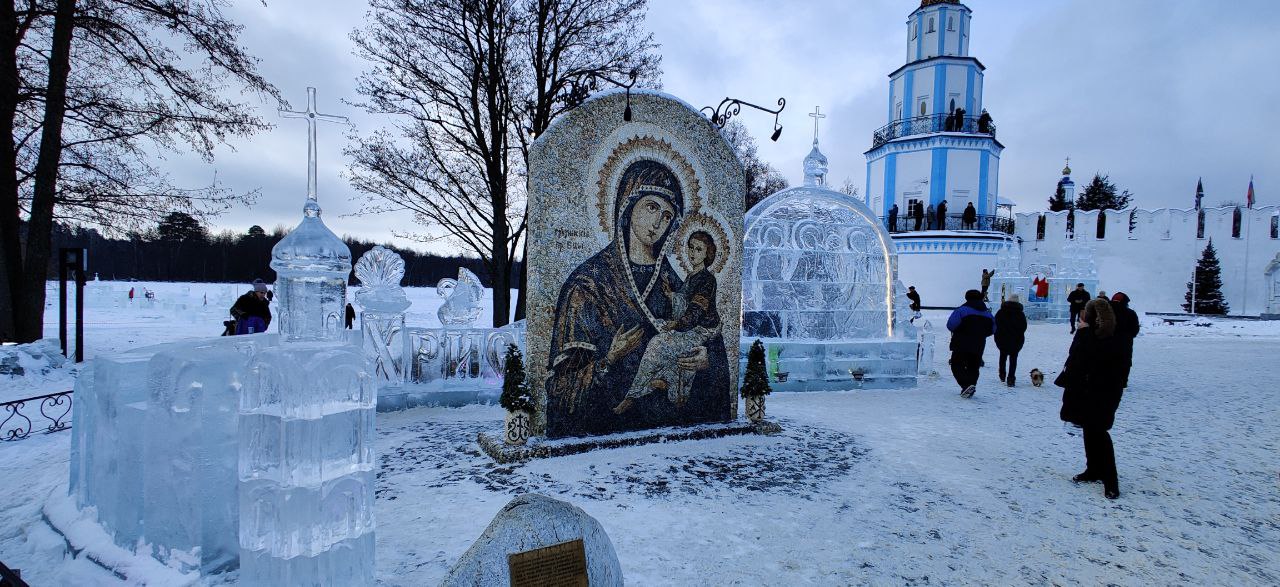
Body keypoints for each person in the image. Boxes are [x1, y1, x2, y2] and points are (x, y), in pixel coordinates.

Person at [545, 160, 729, 437]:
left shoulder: (673, 281)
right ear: (629, 207)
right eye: (651, 207)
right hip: (605, 426)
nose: (658, 223)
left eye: (667, 216)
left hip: (667, 426)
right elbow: (562, 387)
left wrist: (707, 360)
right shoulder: (588, 283)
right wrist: (609, 358)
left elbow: (707, 333)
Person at [616, 230, 722, 414]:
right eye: (690, 247)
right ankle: (665, 381)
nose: (693, 253)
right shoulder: (691, 276)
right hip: (688, 326)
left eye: (699, 249)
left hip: (702, 330)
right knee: (657, 328)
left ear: (707, 253)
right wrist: (671, 295)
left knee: (658, 343)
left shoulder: (708, 279)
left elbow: (696, 311)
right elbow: (685, 301)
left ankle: (633, 396)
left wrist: (676, 324)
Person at [1057, 298, 1125, 499]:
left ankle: (1111, 480)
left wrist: (1084, 333)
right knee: (1088, 429)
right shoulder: (1088, 335)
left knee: (1099, 432)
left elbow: (1094, 358)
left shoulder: (1111, 337)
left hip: (1103, 390)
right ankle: (1093, 469)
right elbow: (1074, 358)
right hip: (1085, 389)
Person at [946, 289, 995, 398]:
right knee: (973, 366)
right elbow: (993, 329)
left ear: (966, 298)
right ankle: (971, 385)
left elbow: (951, 325)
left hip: (961, 342)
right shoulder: (987, 313)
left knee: (956, 364)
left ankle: (966, 385)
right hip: (979, 344)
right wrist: (981, 334)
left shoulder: (961, 310)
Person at [994, 293, 1027, 386]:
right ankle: (1011, 378)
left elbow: (996, 324)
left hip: (1002, 338)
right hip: (1016, 340)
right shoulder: (1020, 313)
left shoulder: (1001, 312)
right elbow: (1023, 327)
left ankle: (1002, 374)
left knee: (1002, 356)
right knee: (1013, 358)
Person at [1110, 292, 1140, 388]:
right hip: (1124, 342)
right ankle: (1123, 381)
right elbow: (1135, 329)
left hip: (1107, 340)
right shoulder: (1130, 313)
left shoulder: (1105, 312)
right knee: (1124, 361)